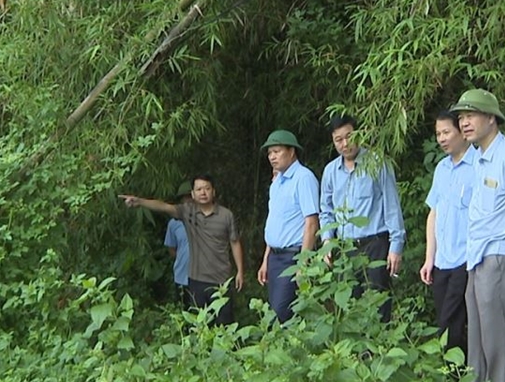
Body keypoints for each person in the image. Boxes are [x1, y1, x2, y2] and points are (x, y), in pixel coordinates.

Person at [450, 89, 505, 382]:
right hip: (477, 255)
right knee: (477, 331)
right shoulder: (478, 158)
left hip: (499, 254)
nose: (464, 123)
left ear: (491, 118)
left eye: (470, 116)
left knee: (497, 332)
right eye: (461, 117)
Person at [120, 176, 246, 324]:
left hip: (221, 281)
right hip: (196, 280)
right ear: (193, 194)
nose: (203, 192)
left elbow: (235, 242)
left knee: (225, 327)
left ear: (213, 191)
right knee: (201, 327)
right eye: (199, 189)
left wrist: (240, 271)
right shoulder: (188, 212)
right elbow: (164, 206)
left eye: (207, 188)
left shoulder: (226, 215)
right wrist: (140, 201)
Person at [320, 115, 406, 321]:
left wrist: (396, 246)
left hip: (375, 245)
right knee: (349, 308)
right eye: (338, 140)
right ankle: (356, 354)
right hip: (344, 249)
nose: (345, 144)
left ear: (360, 134)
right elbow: (326, 210)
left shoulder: (377, 162)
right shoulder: (330, 171)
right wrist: (327, 242)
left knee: (378, 304)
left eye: (349, 136)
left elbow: (392, 205)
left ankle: (379, 351)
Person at [420, 109, 474, 366]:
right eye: (438, 134)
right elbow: (434, 213)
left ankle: (452, 375)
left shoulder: (479, 164)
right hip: (442, 260)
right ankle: (455, 373)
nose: (441, 139)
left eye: (446, 132)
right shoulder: (441, 168)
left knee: (451, 321)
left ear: (462, 132)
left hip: (466, 258)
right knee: (445, 316)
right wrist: (429, 258)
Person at [257, 130, 320, 323]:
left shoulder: (303, 178)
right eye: (269, 153)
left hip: (293, 256)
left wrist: (303, 263)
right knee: (277, 313)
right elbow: (275, 222)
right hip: (275, 257)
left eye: (276, 151)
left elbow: (311, 223)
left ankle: (290, 351)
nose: (272, 157)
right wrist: (266, 259)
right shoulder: (277, 183)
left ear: (291, 151)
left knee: (282, 313)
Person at [164, 181, 194, 307]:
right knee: (185, 313)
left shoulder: (206, 219)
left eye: (190, 197)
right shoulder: (173, 223)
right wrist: (183, 258)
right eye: (185, 197)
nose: (188, 200)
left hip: (204, 277)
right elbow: (171, 248)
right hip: (182, 277)